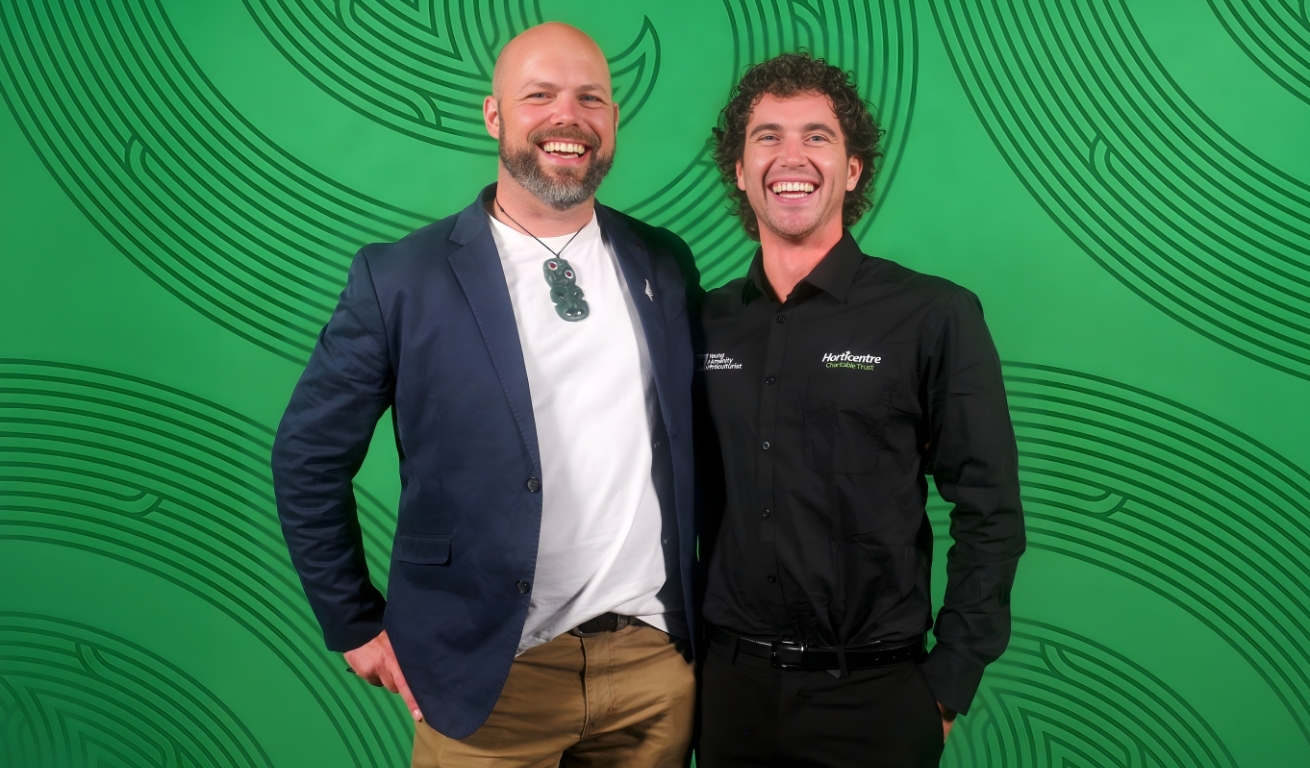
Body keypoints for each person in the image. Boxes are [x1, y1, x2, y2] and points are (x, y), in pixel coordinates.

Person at [272, 22, 702, 767]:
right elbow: (307, 455)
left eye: (590, 98)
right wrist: (351, 623)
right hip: (487, 673)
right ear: (495, 117)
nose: (568, 117)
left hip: (653, 668)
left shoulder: (662, 261)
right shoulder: (401, 278)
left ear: (612, 120)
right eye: (540, 96)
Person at [694, 52, 1025, 766]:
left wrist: (948, 683)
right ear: (740, 170)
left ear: (852, 170)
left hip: (875, 697)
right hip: (728, 696)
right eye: (768, 136)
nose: (793, 156)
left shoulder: (933, 315)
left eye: (818, 136)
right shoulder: (705, 325)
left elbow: (990, 511)